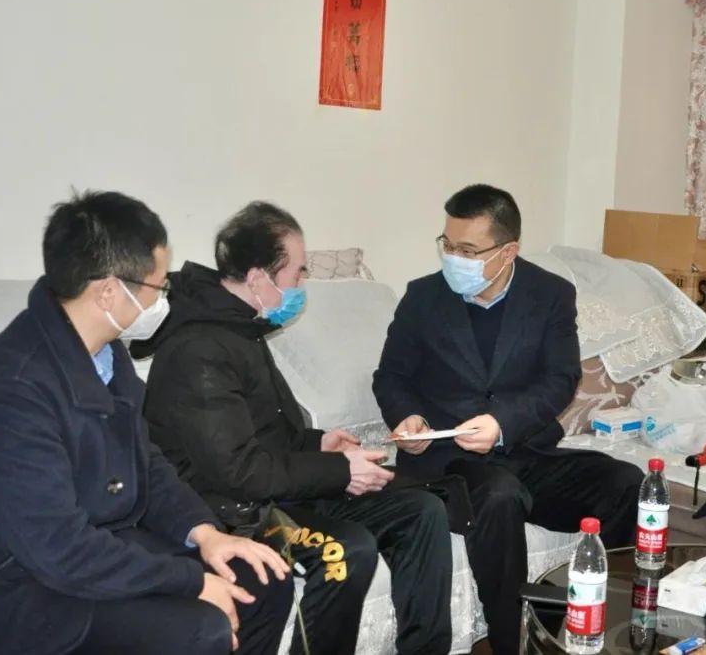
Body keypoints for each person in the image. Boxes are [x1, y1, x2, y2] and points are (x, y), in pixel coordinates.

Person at [0, 191, 293, 655]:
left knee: (260, 580)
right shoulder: (12, 389)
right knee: (199, 627)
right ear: (109, 291)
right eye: (159, 287)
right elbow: (58, 550)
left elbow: (146, 462)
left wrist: (205, 533)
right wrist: (191, 581)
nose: (165, 299)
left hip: (89, 549)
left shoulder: (106, 353)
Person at [132, 202, 454, 655]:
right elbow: (239, 471)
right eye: (298, 272)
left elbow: (266, 435)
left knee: (421, 511)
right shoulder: (199, 348)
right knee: (345, 552)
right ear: (258, 278)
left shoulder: (241, 327)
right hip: (235, 512)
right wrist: (340, 470)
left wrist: (320, 443)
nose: (303, 282)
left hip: (273, 490)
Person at [372, 183, 643, 654]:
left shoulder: (550, 294)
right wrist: (408, 417)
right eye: (447, 245)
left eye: (468, 250)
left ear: (508, 251)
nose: (453, 258)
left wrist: (502, 423)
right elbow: (391, 376)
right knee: (499, 496)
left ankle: (606, 626)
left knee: (625, 483)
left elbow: (560, 379)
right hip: (448, 464)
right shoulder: (422, 297)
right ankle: (511, 644)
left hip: (524, 449)